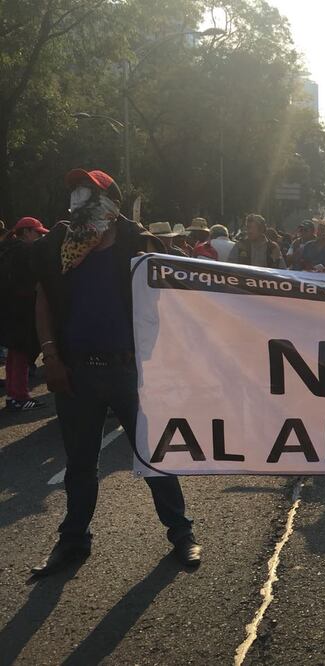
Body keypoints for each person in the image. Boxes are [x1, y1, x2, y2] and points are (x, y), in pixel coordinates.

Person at [29, 168, 200, 576]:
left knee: (153, 455)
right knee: (80, 464)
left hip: (131, 371)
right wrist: (51, 357)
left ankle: (181, 533)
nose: (79, 197)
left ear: (112, 202)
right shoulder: (58, 244)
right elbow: (43, 300)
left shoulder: (138, 243)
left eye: (89, 191)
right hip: (75, 373)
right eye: (75, 190)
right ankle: (73, 540)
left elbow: (175, 296)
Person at [0, 217, 49, 410]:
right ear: (27, 232)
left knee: (14, 353)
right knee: (22, 353)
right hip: (22, 309)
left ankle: (12, 394)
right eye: (37, 233)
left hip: (8, 309)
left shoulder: (7, 249)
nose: (39, 237)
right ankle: (20, 396)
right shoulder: (25, 251)